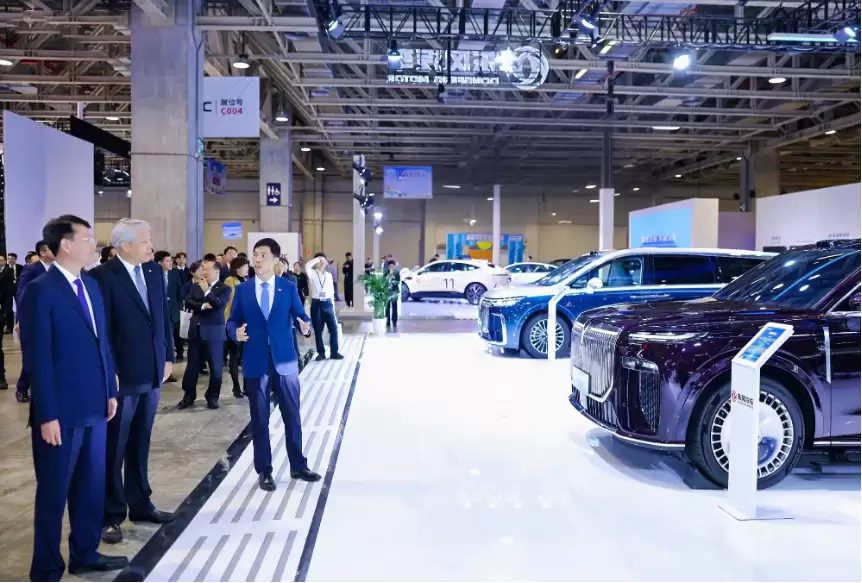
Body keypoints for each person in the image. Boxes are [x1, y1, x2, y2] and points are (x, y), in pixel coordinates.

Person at [21, 215, 128, 581]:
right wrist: (46, 414)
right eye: (87, 239)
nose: (94, 244)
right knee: (53, 494)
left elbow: (103, 343)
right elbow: (37, 357)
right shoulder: (41, 290)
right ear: (65, 244)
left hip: (96, 407)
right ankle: (47, 568)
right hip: (61, 414)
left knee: (90, 488)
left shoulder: (91, 286)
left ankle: (85, 553)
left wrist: (110, 390)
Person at [88, 219, 175, 545]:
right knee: (115, 447)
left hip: (152, 373)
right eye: (145, 240)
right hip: (122, 377)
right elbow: (102, 330)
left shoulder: (152, 271)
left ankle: (140, 503)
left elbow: (162, 318)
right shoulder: (102, 276)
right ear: (124, 245)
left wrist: (167, 355)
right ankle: (110, 515)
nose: (151, 245)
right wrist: (110, 370)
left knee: (141, 442)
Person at [227, 238, 321, 491]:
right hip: (256, 361)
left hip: (285, 361)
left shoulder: (288, 287)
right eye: (255, 255)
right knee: (260, 420)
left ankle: (298, 465)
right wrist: (235, 333)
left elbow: (300, 314)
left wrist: (305, 325)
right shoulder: (244, 290)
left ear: (276, 260)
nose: (257, 260)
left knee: (292, 416)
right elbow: (232, 321)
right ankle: (265, 470)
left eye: (263, 255)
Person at [179, 255, 230, 409]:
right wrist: (202, 306)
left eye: (207, 269)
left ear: (217, 271)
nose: (204, 272)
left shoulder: (224, 288)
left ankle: (212, 397)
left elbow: (219, 305)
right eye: (203, 269)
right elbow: (188, 301)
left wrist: (207, 292)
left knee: (215, 368)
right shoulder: (196, 285)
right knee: (192, 366)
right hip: (196, 331)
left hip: (214, 332)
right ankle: (188, 395)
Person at [15, 239, 54, 404]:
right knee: (32, 356)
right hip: (33, 321)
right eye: (52, 248)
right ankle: (22, 388)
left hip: (52, 320)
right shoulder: (31, 270)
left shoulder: (57, 269)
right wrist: (21, 319)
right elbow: (22, 295)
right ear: (43, 252)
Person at [306, 253, 343, 361]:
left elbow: (331, 292)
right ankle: (321, 353)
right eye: (320, 261)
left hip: (328, 303)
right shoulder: (312, 273)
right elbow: (307, 266)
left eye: (323, 261)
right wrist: (317, 259)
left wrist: (333, 307)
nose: (322, 263)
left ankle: (334, 352)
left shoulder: (329, 275)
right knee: (318, 330)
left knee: (334, 328)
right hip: (317, 304)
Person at [224, 256, 249, 399]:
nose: (247, 269)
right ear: (238, 268)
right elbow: (229, 303)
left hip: (246, 323)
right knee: (234, 356)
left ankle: (246, 386)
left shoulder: (247, 280)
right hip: (233, 323)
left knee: (245, 356)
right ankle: (236, 386)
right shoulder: (230, 281)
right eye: (245, 266)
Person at [155, 250, 183, 376]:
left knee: (171, 341)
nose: (170, 263)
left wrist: (178, 308)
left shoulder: (174, 275)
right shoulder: (153, 275)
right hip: (159, 313)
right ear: (159, 263)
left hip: (172, 313)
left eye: (170, 261)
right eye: (167, 261)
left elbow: (179, 293)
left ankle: (169, 371)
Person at [385, 259, 400, 330]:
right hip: (387, 292)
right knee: (387, 308)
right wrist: (388, 277)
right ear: (388, 267)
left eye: (392, 266)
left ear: (394, 266)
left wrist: (393, 279)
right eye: (390, 266)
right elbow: (383, 281)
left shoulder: (397, 273)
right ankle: (387, 322)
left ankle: (394, 322)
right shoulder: (385, 273)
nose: (391, 268)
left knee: (395, 307)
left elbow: (398, 281)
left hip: (394, 292)